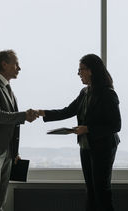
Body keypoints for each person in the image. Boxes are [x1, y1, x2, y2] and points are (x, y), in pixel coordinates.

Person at [38, 54, 121, 211]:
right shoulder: (84, 92)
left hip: (103, 147)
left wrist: (88, 129)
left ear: (91, 71)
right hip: (86, 145)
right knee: (90, 190)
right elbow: (68, 111)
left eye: (80, 70)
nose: (78, 74)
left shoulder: (108, 93)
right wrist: (41, 112)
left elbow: (115, 125)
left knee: (101, 191)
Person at [0, 49, 38, 211]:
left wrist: (14, 151)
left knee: (1, 194)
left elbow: (11, 123)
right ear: (4, 64)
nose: (19, 68)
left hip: (7, 152)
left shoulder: (9, 90)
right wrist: (24, 115)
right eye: (16, 64)